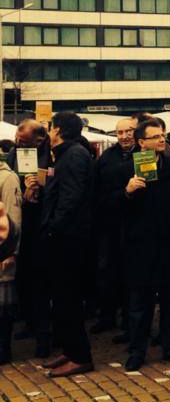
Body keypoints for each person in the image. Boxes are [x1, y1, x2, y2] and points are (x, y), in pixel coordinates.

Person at [120, 117, 170, 371]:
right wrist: (127, 192)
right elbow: (108, 205)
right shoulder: (126, 167)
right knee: (140, 301)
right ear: (141, 142)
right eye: (155, 136)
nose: (162, 139)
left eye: (162, 135)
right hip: (140, 244)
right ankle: (137, 350)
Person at [40, 111, 96, 378]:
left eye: (51, 128)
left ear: (59, 130)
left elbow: (70, 199)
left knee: (69, 297)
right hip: (66, 236)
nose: (48, 133)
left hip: (69, 239)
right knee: (62, 298)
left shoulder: (73, 155)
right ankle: (71, 351)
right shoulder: (67, 154)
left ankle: (80, 356)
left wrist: (53, 228)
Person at [6, 119, 52, 357]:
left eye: (23, 141)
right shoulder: (14, 154)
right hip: (19, 224)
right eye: (17, 139)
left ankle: (44, 336)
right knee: (23, 280)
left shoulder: (53, 154)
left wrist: (40, 189)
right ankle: (29, 323)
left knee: (41, 284)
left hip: (42, 229)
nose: (18, 143)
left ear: (40, 139)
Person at [90, 117, 136, 334]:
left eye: (129, 131)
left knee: (130, 274)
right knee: (106, 271)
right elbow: (97, 189)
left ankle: (129, 321)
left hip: (135, 223)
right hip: (109, 222)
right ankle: (107, 316)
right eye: (120, 132)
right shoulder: (107, 157)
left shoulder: (145, 155)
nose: (125, 136)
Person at [0, 158, 22, 364]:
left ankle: (3, 349)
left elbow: (13, 214)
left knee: (2, 304)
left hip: (2, 251)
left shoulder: (7, 178)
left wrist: (10, 250)